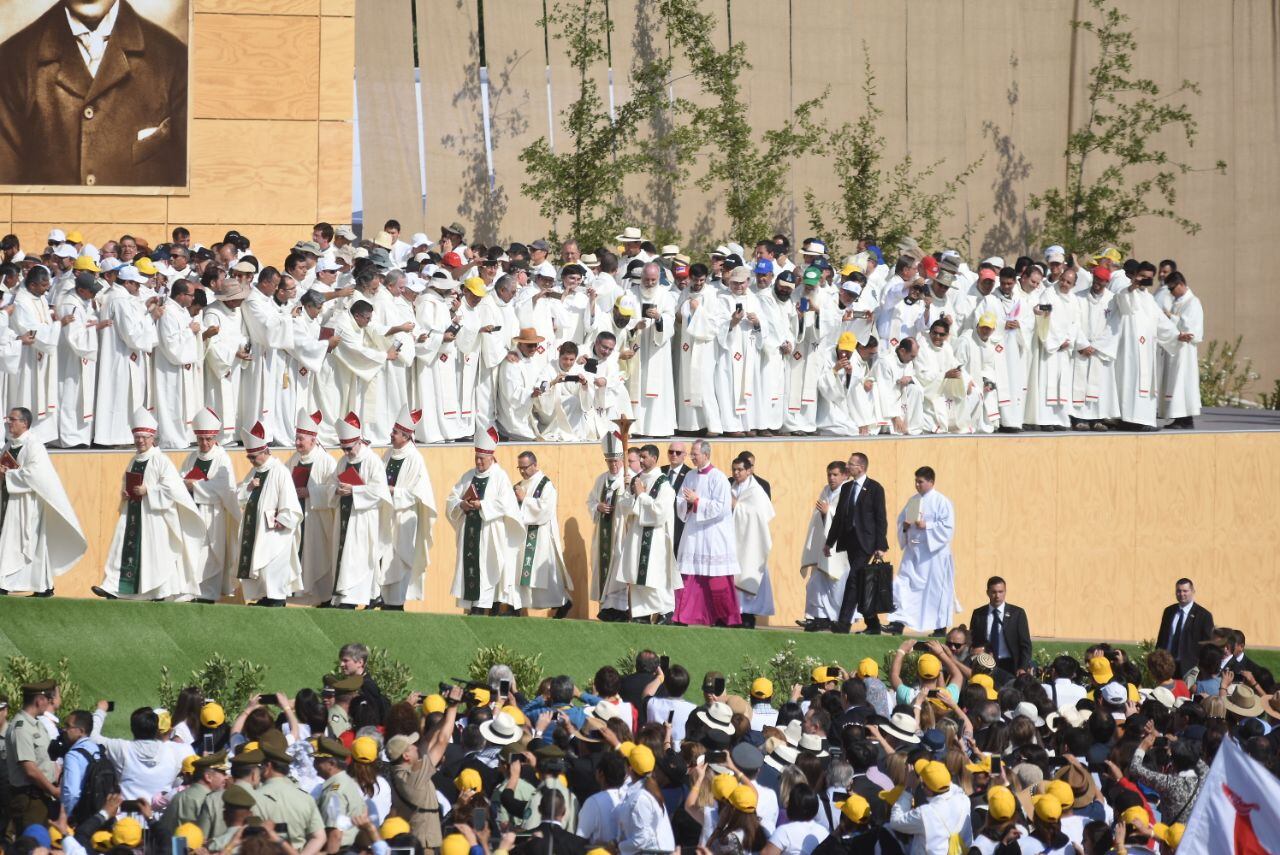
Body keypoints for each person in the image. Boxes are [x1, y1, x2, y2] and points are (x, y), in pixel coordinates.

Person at [94, 408, 205, 601]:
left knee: (155, 556)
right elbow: (127, 481)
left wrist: (149, 491)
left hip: (155, 517)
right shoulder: (133, 460)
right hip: (134, 515)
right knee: (121, 547)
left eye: (144, 437)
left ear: (153, 437)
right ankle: (112, 588)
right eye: (137, 437)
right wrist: (126, 492)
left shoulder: (161, 460)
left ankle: (159, 593)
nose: (140, 441)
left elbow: (173, 488)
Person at [0, 407, 87, 597]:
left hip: (28, 503)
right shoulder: (8, 446)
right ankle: (41, 586)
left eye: (13, 419)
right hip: (10, 501)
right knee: (12, 541)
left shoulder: (34, 446)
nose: (9, 423)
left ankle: (13, 584)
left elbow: (36, 474)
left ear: (25, 423)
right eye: (8, 420)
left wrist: (8, 474)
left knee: (29, 544)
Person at [446, 426, 524, 614]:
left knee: (485, 568)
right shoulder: (468, 475)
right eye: (476, 458)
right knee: (471, 568)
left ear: (491, 457)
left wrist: (483, 506)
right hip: (469, 532)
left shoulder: (500, 476)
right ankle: (473, 607)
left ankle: (482, 607)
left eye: (482, 458)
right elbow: (452, 498)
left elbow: (506, 503)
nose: (478, 462)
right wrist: (461, 505)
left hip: (489, 533)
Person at [672, 440, 741, 627]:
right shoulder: (690, 476)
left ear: (706, 454)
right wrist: (687, 503)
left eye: (695, 454)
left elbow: (722, 508)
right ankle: (683, 617)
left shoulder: (718, 478)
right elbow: (680, 500)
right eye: (692, 454)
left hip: (713, 534)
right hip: (694, 533)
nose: (692, 457)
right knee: (689, 575)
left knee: (717, 580)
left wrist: (697, 501)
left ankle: (724, 619)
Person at [234, 421, 303, 607]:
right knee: (261, 566)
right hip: (257, 528)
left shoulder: (280, 471)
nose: (251, 460)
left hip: (275, 530)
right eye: (249, 457)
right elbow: (239, 497)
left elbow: (290, 503)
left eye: (254, 457)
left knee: (273, 565)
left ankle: (277, 598)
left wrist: (283, 519)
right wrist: (248, 488)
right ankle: (265, 596)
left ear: (265, 452)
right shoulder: (254, 471)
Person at [329, 412, 392, 609]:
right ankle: (344, 597)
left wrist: (354, 490)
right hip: (345, 518)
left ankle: (355, 598)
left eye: (348, 448)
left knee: (357, 559)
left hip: (363, 520)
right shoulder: (342, 461)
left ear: (358, 442)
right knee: (345, 558)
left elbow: (380, 492)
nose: (346, 452)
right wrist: (336, 490)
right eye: (343, 448)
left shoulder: (372, 461)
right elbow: (332, 483)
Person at [885, 466, 956, 636]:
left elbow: (948, 527)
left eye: (920, 482)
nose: (917, 485)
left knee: (936, 590)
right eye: (916, 481)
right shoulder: (913, 501)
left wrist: (928, 526)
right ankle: (898, 622)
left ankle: (939, 627)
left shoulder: (942, 501)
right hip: (913, 552)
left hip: (933, 555)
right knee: (902, 584)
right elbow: (902, 521)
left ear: (931, 482)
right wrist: (905, 526)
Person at [178, 408, 240, 603]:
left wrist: (194, 485)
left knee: (212, 554)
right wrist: (185, 484)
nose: (204, 443)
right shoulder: (191, 457)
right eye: (201, 439)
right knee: (192, 552)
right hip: (193, 511)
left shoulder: (222, 458)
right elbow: (181, 478)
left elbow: (222, 487)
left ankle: (208, 594)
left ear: (215, 437)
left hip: (213, 515)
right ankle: (192, 591)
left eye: (208, 439)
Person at [825, 452, 889, 634]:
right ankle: (873, 624)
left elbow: (880, 518)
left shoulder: (875, 488)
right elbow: (838, 518)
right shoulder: (847, 488)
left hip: (866, 542)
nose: (848, 466)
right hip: (850, 541)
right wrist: (830, 542)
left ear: (861, 467)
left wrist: (880, 545)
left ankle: (844, 623)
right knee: (860, 582)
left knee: (853, 579)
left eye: (851, 464)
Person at [616, 443, 679, 625]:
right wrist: (629, 495)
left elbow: (659, 513)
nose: (641, 461)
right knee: (637, 573)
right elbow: (623, 508)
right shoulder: (636, 479)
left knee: (653, 574)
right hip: (637, 535)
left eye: (644, 457)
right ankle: (641, 613)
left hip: (655, 537)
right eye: (640, 457)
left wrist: (642, 496)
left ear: (654, 458)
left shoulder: (664, 484)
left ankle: (664, 612)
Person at [381, 406, 437, 610]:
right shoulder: (388, 454)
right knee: (384, 554)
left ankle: (396, 602)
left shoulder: (415, 458)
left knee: (399, 557)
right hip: (387, 515)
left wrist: (394, 490)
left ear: (405, 436)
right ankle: (382, 598)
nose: (391, 435)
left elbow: (417, 494)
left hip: (404, 517)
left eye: (395, 432)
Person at [512, 450, 573, 617]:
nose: (522, 471)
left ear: (535, 465)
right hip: (522, 538)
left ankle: (563, 602)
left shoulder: (546, 485)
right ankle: (515, 606)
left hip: (540, 537)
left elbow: (545, 510)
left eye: (525, 467)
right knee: (518, 571)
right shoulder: (519, 485)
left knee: (544, 576)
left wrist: (525, 500)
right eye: (520, 468)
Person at [796, 460, 847, 633]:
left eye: (835, 475)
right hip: (823, 546)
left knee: (835, 586)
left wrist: (829, 513)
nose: (831, 478)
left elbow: (845, 518)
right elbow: (816, 518)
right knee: (815, 583)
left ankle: (836, 619)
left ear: (844, 475)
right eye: (829, 474)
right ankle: (817, 617)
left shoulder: (847, 492)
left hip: (838, 550)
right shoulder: (825, 491)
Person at [886, 760, 972, 854]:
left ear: (928, 789)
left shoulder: (925, 813)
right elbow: (949, 787)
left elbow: (895, 821)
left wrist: (908, 788)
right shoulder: (964, 799)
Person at [4, 680, 59, 827]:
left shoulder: (37, 725)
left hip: (42, 795)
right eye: (48, 699)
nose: (49, 703)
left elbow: (46, 760)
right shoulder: (21, 728)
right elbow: (30, 770)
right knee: (31, 845)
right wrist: (53, 790)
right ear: (39, 700)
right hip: (30, 799)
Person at [588, 430, 629, 621]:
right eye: (609, 461)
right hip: (604, 532)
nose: (613, 465)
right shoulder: (601, 479)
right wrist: (598, 506)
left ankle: (620, 609)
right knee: (603, 566)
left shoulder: (628, 478)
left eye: (616, 461)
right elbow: (590, 501)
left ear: (622, 460)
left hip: (621, 532)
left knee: (619, 565)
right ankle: (606, 607)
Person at [731, 451, 775, 629]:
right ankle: (734, 613)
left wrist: (737, 507)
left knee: (749, 574)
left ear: (749, 471)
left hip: (751, 541)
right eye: (734, 470)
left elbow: (762, 514)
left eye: (740, 470)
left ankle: (748, 616)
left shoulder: (757, 490)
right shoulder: (730, 486)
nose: (736, 473)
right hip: (734, 539)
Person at [1158, 271, 1203, 428]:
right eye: (1169, 289)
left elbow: (1191, 328)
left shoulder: (1193, 302)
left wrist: (1171, 317)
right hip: (1175, 348)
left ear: (1181, 284)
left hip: (1186, 350)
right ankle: (1178, 417)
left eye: (1172, 288)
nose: (1171, 292)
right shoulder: (1177, 302)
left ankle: (1185, 419)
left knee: (1183, 382)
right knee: (1175, 382)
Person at [968, 576, 1033, 675]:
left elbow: (1025, 645)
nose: (997, 596)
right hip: (985, 664)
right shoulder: (978, 614)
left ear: (1005, 592)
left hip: (1010, 665)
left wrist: (1023, 667)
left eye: (1000, 592)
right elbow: (973, 641)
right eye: (994, 592)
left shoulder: (1017, 613)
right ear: (988, 593)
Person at [1155, 578, 1214, 676]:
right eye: (1178, 591)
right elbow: (1162, 638)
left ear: (1193, 591)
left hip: (1189, 668)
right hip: (1167, 666)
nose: (1181, 594)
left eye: (1185, 591)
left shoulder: (1203, 615)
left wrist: (1201, 667)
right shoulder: (1169, 611)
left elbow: (1207, 645)